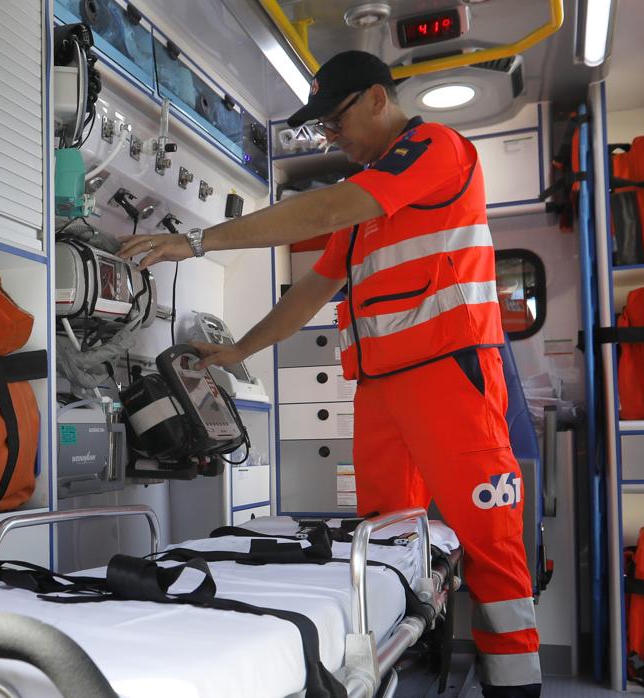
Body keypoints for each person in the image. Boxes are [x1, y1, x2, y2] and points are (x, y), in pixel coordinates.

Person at [118, 50, 541, 697]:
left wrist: (199, 242)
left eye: (334, 120)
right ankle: (403, 677)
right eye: (321, 130)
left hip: (450, 378)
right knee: (382, 550)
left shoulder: (434, 149)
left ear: (377, 98)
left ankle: (516, 690)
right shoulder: (364, 209)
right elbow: (306, 297)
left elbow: (320, 213)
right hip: (381, 395)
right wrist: (235, 354)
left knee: (491, 547)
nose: (330, 137)